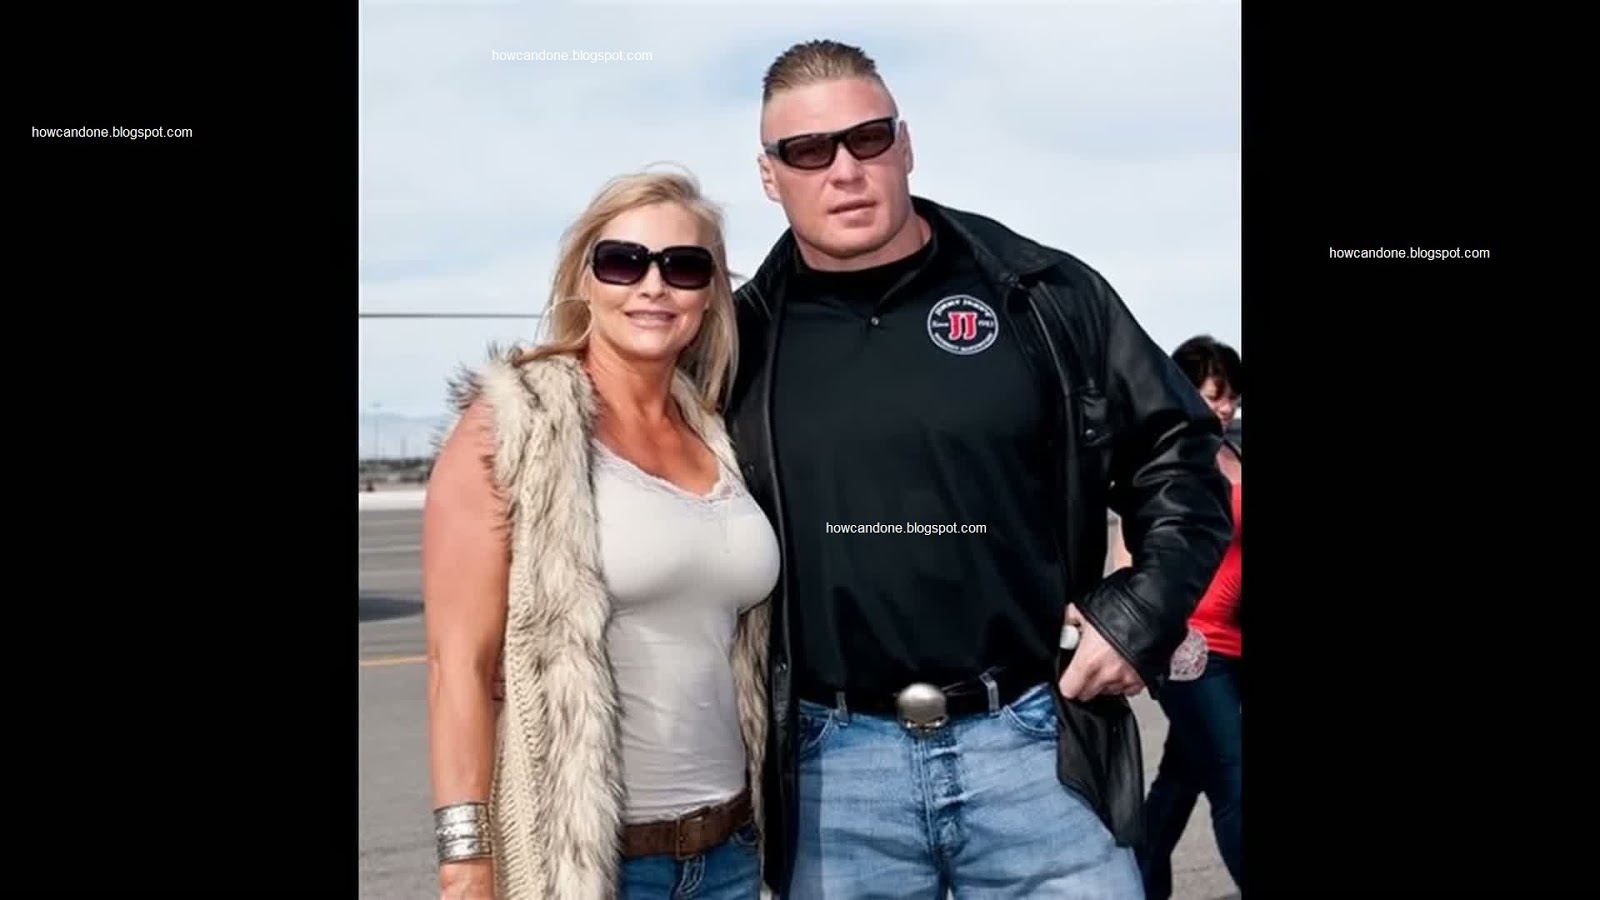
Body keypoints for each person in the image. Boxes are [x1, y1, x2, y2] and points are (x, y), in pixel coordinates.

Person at [724, 39, 1235, 899]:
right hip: (833, 777)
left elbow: (1177, 453)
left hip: (1037, 751)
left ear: (906, 143)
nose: (844, 170)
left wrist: (1138, 615)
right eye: (808, 151)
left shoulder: (1041, 294)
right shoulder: (739, 346)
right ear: (770, 176)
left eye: (868, 138)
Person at [421, 170, 779, 900]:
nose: (653, 286)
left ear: (711, 293)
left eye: (683, 266)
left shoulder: (718, 433)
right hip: (592, 866)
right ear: (584, 278)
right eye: (624, 261)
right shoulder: (515, 424)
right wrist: (465, 864)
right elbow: (457, 665)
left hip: (733, 853)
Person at [1115, 335, 1243, 899]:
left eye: (1232, 396)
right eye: (1215, 394)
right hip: (1191, 648)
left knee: (1182, 776)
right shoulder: (1165, 459)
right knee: (1234, 779)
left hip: (1237, 642)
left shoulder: (1234, 455)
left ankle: (1137, 883)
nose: (1226, 407)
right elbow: (1130, 552)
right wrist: (1134, 636)